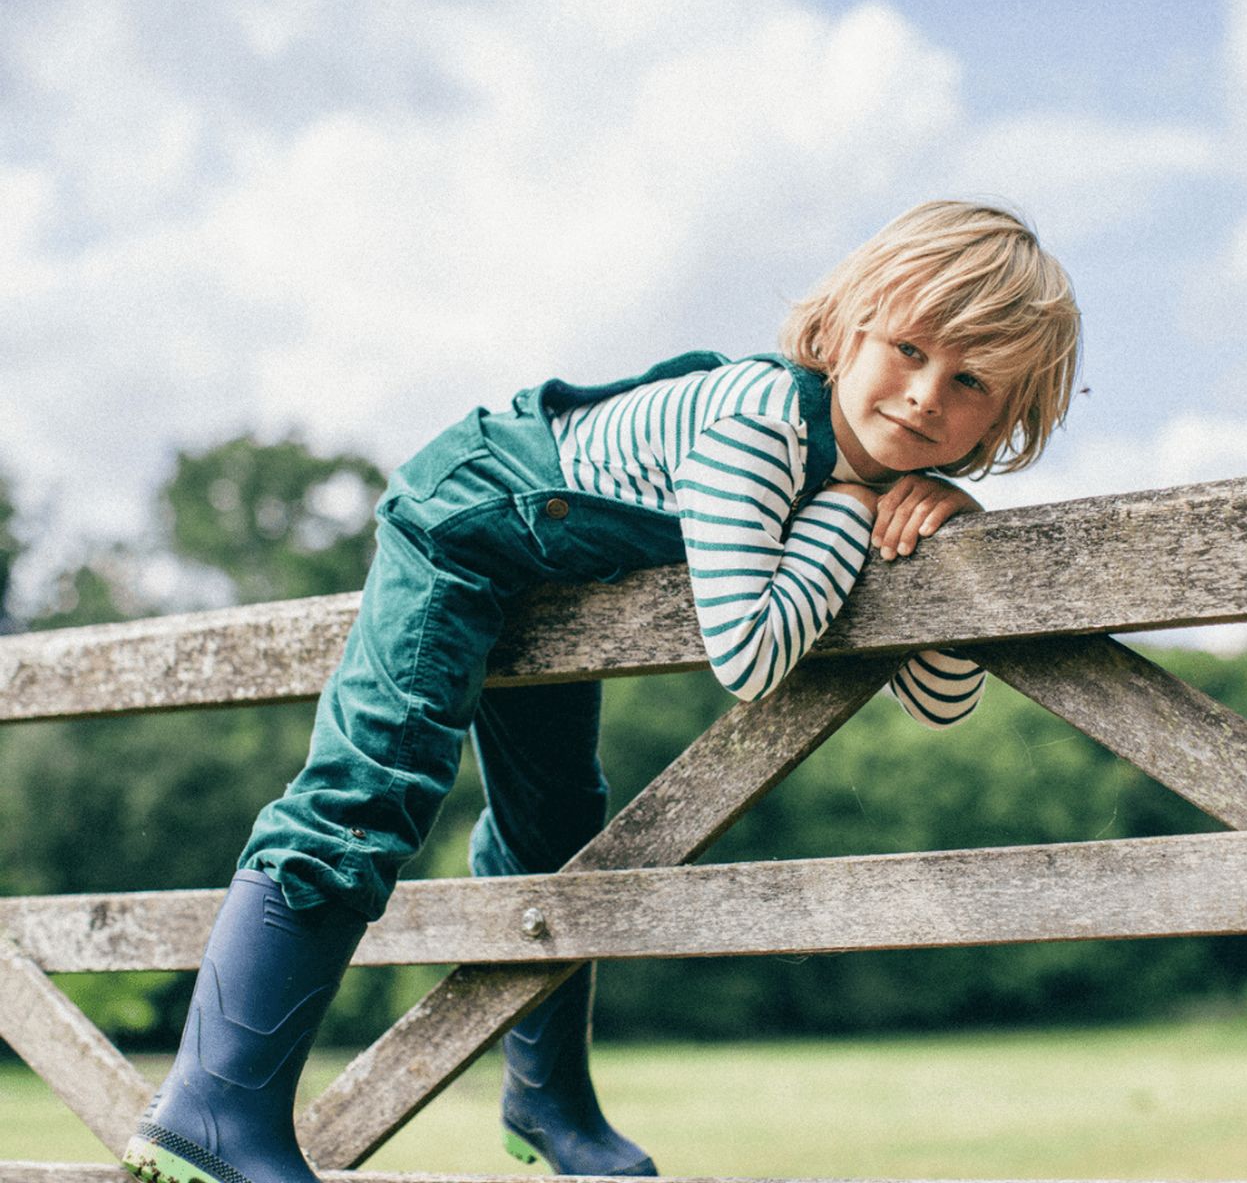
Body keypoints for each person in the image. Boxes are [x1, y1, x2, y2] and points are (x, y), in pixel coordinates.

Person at [123, 200, 1081, 1183]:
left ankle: (547, 1101)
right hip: (463, 519)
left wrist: (941, 526)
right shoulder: (760, 420)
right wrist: (848, 512)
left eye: (968, 380)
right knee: (378, 776)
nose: (924, 394)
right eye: (909, 347)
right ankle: (212, 1106)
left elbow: (939, 696)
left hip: (547, 574)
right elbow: (748, 656)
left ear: (1003, 419)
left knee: (557, 825)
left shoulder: (871, 475)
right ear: (842, 330)